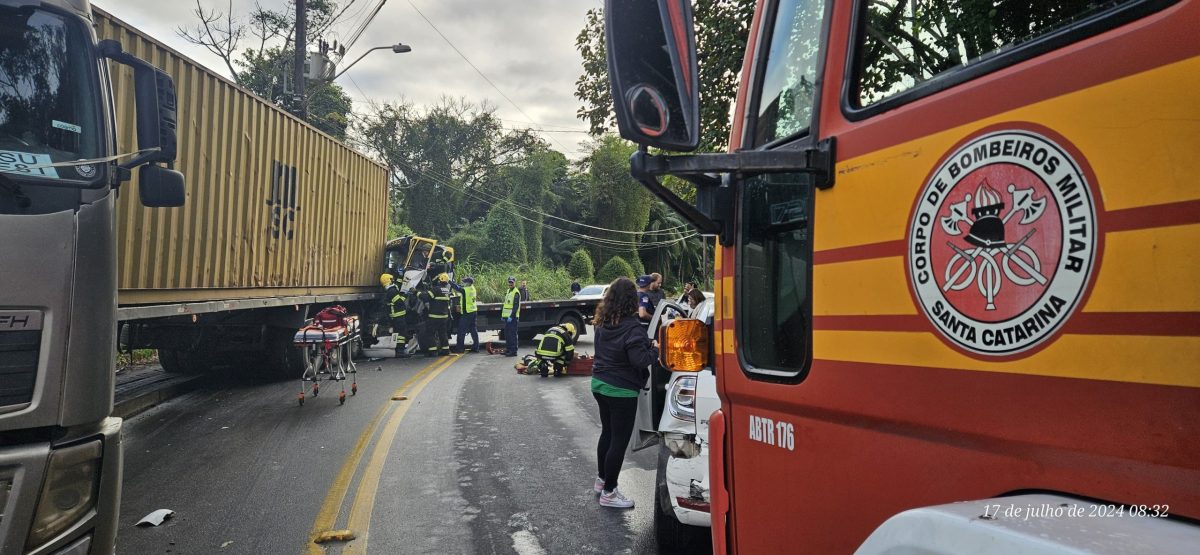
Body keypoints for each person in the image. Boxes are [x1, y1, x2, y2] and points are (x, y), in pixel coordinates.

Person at [591, 277, 658, 508]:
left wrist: (644, 345)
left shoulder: (602, 322)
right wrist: (655, 351)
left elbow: (616, 350)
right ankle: (610, 492)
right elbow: (639, 361)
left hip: (599, 384)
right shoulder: (631, 327)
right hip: (621, 390)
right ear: (631, 299)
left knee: (607, 434)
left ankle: (601, 481)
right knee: (619, 440)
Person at [418, 273, 452, 356]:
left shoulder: (435, 289)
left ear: (439, 280)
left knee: (430, 333)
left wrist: (417, 293)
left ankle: (433, 351)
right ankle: (445, 350)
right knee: (443, 333)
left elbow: (426, 297)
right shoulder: (447, 291)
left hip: (434, 317)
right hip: (444, 317)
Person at [381, 273, 410, 358]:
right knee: (401, 333)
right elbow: (399, 302)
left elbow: (397, 284)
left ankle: (398, 350)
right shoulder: (392, 291)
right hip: (398, 316)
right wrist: (406, 295)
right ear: (388, 281)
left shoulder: (391, 290)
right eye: (391, 279)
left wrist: (402, 277)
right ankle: (400, 351)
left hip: (395, 316)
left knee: (398, 332)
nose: (393, 280)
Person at [452, 276, 480, 353]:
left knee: (461, 331)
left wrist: (449, 281)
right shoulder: (472, 288)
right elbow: (460, 287)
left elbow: (457, 288)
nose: (463, 283)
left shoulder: (465, 290)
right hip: (473, 311)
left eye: (465, 282)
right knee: (473, 330)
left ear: (468, 283)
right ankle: (476, 347)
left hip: (467, 313)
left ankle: (460, 348)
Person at [501, 276, 522, 356]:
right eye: (509, 282)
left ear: (514, 283)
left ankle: (513, 351)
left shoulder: (516, 292)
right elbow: (506, 305)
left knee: (512, 334)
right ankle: (508, 349)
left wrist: (511, 316)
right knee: (507, 334)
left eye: (512, 282)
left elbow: (515, 306)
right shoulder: (508, 291)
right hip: (507, 317)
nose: (510, 283)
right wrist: (503, 316)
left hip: (512, 318)